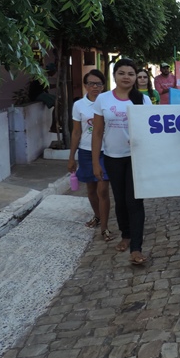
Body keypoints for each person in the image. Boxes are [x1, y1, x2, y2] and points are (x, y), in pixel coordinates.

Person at [92, 58, 152, 265]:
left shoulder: (143, 100)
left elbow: (150, 129)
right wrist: (95, 162)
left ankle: (136, 248)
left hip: (136, 158)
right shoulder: (103, 99)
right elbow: (97, 132)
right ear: (114, 75)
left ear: (136, 77)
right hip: (112, 158)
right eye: (122, 73)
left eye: (131, 74)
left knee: (134, 201)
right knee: (120, 199)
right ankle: (125, 234)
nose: (126, 77)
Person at [67, 70, 113, 241]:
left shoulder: (108, 102)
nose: (95, 87)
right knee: (91, 189)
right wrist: (71, 157)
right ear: (85, 86)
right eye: (91, 83)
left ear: (103, 85)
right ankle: (98, 216)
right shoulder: (79, 105)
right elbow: (76, 132)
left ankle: (105, 228)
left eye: (99, 84)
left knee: (103, 189)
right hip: (86, 151)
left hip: (106, 151)